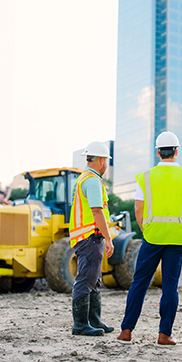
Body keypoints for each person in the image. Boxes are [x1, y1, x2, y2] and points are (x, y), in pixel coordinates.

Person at [117, 131, 182, 347]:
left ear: (158, 152)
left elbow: (138, 208)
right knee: (170, 285)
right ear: (176, 151)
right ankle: (164, 335)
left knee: (139, 283)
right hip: (178, 237)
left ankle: (126, 331)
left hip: (152, 237)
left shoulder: (146, 177)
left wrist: (146, 230)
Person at [69, 141, 116, 336]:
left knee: (94, 280)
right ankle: (80, 325)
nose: (106, 165)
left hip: (87, 237)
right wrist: (109, 238)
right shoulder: (92, 181)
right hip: (89, 237)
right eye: (106, 161)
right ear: (102, 161)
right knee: (86, 279)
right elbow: (97, 212)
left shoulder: (85, 179)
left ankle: (94, 321)